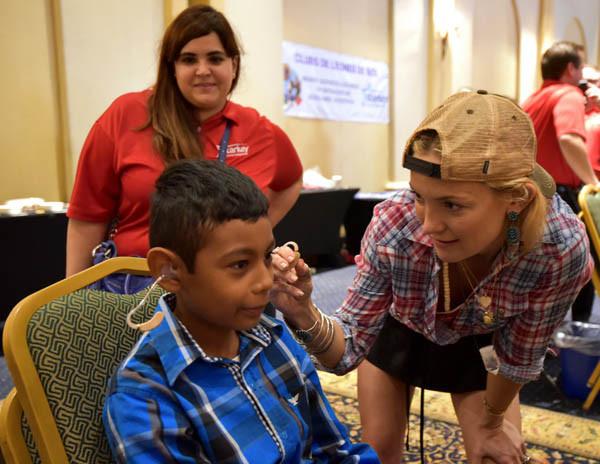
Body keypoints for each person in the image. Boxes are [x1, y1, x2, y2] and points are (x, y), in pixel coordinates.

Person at [271, 90, 592, 464]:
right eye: (419, 196)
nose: (428, 224)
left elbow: (518, 357)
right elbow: (346, 350)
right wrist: (304, 312)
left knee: (497, 455)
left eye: (452, 205)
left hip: (483, 342)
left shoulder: (559, 248)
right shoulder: (395, 222)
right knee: (378, 453)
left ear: (516, 199)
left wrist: (492, 424)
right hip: (399, 324)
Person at [102, 159, 378, 463]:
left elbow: (335, 451)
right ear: (170, 272)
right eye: (239, 265)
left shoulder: (274, 338)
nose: (264, 281)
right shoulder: (145, 397)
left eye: (266, 257)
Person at [66, 5, 303, 285]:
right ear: (172, 67)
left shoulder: (259, 131)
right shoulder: (126, 115)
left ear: (233, 65)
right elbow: (87, 217)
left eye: (215, 58)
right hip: (138, 281)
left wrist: (250, 239)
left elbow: (291, 181)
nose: (203, 71)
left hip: (230, 286)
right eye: (189, 60)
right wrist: (75, 296)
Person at [522, 41, 597, 322]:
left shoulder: (532, 99)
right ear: (570, 68)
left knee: (533, 271)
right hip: (559, 197)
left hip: (528, 194)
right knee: (583, 267)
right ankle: (577, 335)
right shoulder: (568, 94)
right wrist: (593, 183)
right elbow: (568, 139)